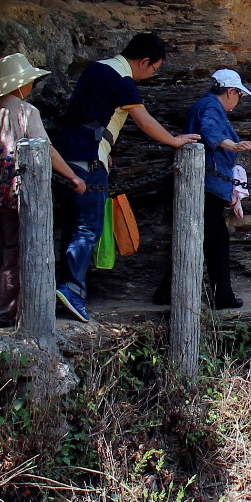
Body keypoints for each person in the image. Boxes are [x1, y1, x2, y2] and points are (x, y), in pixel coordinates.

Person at [51, 33, 199, 322]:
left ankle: (63, 290)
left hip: (66, 153)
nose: (149, 75)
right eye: (153, 69)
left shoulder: (95, 68)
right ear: (144, 61)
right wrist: (174, 140)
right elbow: (145, 121)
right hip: (89, 158)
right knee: (88, 226)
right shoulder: (121, 78)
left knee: (71, 224)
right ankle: (71, 289)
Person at [0, 52, 86, 325]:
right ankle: (6, 310)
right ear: (20, 84)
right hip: (15, 192)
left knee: (1, 249)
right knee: (15, 250)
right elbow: (46, 150)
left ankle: (6, 304)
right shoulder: (26, 112)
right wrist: (72, 176)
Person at [156, 69, 251, 309]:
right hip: (206, 185)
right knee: (200, 239)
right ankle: (168, 291)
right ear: (231, 91)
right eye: (239, 95)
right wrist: (232, 145)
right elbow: (209, 131)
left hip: (209, 185)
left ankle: (221, 294)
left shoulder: (208, 105)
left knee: (216, 240)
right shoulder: (212, 107)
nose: (239, 101)